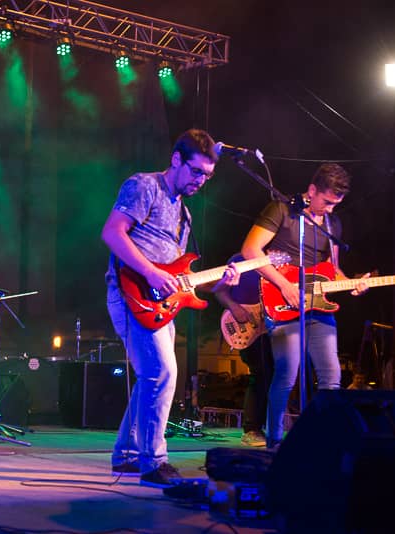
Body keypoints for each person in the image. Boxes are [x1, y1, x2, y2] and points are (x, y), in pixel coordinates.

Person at [102, 129, 240, 488]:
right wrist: (149, 272)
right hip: (130, 292)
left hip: (160, 302)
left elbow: (180, 276)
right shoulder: (144, 186)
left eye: (207, 176)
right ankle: (154, 462)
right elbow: (113, 233)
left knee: (152, 375)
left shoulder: (185, 215)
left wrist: (221, 280)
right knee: (162, 372)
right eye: (196, 172)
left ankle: (128, 454)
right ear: (176, 160)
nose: (201, 181)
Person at [240, 162, 369, 450]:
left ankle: (322, 441)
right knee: (288, 372)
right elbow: (250, 250)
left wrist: (353, 283)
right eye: (327, 201)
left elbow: (334, 270)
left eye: (337, 203)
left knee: (331, 376)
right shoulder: (282, 210)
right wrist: (284, 285)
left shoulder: (333, 223)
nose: (331, 209)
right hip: (282, 301)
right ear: (312, 191)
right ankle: (274, 441)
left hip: (318, 307)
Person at [213, 252, 273, 447]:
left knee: (278, 374)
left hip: (273, 326)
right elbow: (219, 291)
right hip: (246, 327)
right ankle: (252, 429)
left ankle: (271, 427)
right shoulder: (240, 260)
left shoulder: (282, 260)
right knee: (261, 373)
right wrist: (235, 307)